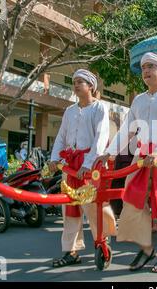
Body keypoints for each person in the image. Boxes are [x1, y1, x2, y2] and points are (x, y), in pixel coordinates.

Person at [95, 52, 157, 273]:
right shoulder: (139, 99)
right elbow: (128, 129)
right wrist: (109, 152)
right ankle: (146, 247)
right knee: (132, 201)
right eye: (143, 67)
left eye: (151, 67)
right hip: (141, 158)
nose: (145, 71)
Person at [48, 69, 116, 268]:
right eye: (74, 81)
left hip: (90, 166)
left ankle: (102, 241)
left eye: (80, 82)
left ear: (91, 86)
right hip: (69, 165)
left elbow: (101, 137)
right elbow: (61, 137)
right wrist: (54, 159)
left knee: (93, 207)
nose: (76, 85)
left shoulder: (99, 108)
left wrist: (87, 165)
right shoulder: (69, 111)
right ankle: (71, 251)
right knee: (70, 208)